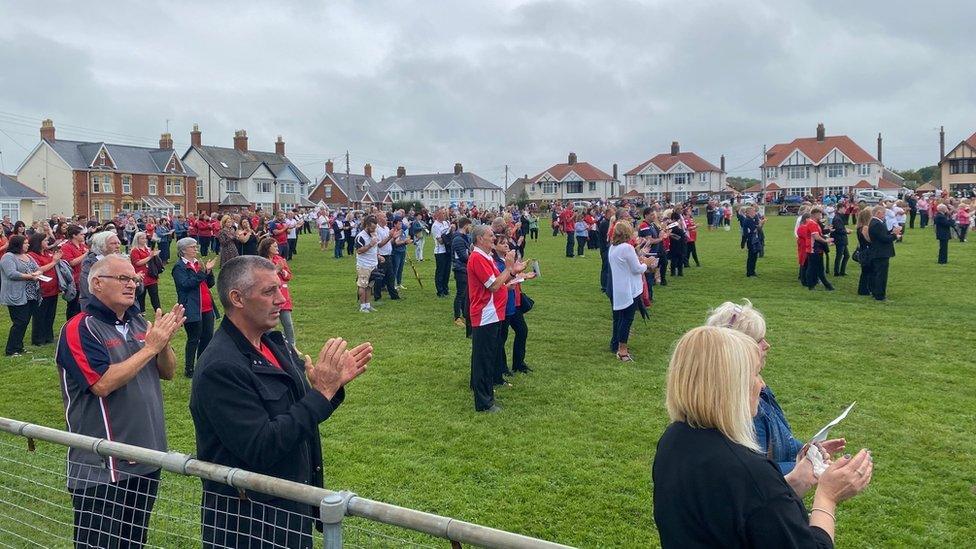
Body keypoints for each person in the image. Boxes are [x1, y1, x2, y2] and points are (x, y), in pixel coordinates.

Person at [190, 255, 371, 547]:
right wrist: (321, 393)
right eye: (269, 291)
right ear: (237, 298)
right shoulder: (221, 367)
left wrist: (328, 389)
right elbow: (262, 446)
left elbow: (299, 413)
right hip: (250, 524)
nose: (281, 298)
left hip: (290, 506)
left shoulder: (274, 343)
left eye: (280, 288)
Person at [653, 325, 874, 548]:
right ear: (732, 387)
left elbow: (743, 516)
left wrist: (797, 480)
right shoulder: (748, 472)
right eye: (755, 374)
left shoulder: (673, 440)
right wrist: (827, 497)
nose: (762, 384)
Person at [56, 254, 184, 549]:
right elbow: (102, 383)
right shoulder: (80, 328)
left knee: (134, 541)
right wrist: (150, 348)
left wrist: (162, 345)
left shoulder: (139, 322)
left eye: (135, 279)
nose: (132, 285)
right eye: (123, 279)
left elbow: (168, 372)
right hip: (103, 468)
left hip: (147, 457)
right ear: (97, 284)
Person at [705, 300, 845, 480]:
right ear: (737, 350)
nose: (767, 345)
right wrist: (804, 464)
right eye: (758, 340)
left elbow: (781, 438)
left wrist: (807, 449)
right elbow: (754, 474)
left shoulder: (759, 390)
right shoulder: (744, 406)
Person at [467, 224, 525, 412]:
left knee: (485, 356)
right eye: (490, 236)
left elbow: (497, 283)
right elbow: (492, 285)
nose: (493, 239)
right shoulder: (478, 257)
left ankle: (482, 392)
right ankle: (484, 402)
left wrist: (510, 277)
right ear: (479, 239)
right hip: (485, 313)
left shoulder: (485, 257)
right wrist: (508, 269)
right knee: (484, 358)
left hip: (491, 312)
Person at [173, 237, 218, 377]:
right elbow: (185, 285)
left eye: (195, 246)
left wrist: (209, 273)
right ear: (184, 250)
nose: (196, 249)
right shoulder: (179, 267)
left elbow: (210, 283)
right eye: (192, 247)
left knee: (207, 337)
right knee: (194, 338)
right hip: (192, 308)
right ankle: (189, 368)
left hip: (207, 307)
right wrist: (202, 273)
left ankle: (202, 364)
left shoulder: (199, 263)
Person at [492, 233, 536, 377]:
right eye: (502, 243)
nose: (506, 245)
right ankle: (502, 367)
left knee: (522, 331)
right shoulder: (496, 263)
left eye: (506, 242)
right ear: (494, 246)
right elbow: (500, 282)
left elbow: (512, 277)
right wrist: (516, 277)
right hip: (504, 304)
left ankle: (519, 363)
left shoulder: (508, 260)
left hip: (514, 303)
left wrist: (523, 276)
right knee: (501, 337)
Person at [608, 222, 653, 362]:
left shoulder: (613, 247)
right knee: (627, 319)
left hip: (619, 288)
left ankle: (620, 345)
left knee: (622, 318)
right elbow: (636, 269)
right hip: (629, 289)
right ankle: (622, 350)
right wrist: (647, 263)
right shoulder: (626, 247)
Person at [1, 235, 42, 356]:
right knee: (20, 321)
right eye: (25, 243)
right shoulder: (8, 257)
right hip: (16, 294)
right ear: (17, 244)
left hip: (30, 294)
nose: (27, 245)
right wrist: (31, 276)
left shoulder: (28, 256)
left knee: (25, 321)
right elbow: (11, 273)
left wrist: (38, 273)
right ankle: (11, 349)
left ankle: (18, 346)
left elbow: (38, 268)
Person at [258, 236, 296, 347]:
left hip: (283, 296)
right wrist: (277, 270)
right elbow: (262, 278)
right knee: (269, 325)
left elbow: (289, 276)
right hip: (268, 298)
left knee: (288, 323)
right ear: (268, 248)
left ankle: (292, 346)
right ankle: (272, 346)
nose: (277, 248)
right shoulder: (261, 262)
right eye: (274, 246)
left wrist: (284, 273)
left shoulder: (280, 259)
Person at [26, 233, 62, 346]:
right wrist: (54, 262)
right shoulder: (32, 255)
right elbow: (39, 269)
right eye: (45, 240)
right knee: (40, 315)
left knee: (50, 315)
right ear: (39, 242)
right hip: (41, 289)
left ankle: (48, 336)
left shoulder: (48, 253)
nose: (48, 242)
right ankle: (38, 339)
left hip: (53, 288)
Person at [79, 231, 122, 310]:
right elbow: (89, 290)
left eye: (118, 243)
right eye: (113, 243)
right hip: (96, 309)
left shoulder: (121, 261)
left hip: (120, 308)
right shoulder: (90, 265)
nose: (118, 246)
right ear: (102, 246)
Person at [868, 205, 900, 301]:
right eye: (883, 213)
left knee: (877, 273)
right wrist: (895, 235)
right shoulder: (877, 223)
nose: (884, 215)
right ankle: (880, 295)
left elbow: (882, 234)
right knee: (881, 275)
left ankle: (876, 292)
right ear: (878, 213)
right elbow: (883, 238)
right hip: (881, 252)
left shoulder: (876, 223)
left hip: (879, 252)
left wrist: (891, 232)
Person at [59, 224, 88, 319]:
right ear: (74, 235)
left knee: (82, 307)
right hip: (74, 281)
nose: (83, 236)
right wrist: (86, 254)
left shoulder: (83, 246)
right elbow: (71, 262)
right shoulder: (66, 247)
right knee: (73, 307)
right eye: (81, 234)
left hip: (84, 280)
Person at [130, 231, 162, 313]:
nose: (145, 240)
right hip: (141, 276)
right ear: (137, 239)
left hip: (151, 274)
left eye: (145, 238)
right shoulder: (135, 250)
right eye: (142, 238)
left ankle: (158, 310)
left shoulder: (147, 249)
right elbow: (137, 262)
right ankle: (141, 311)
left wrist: (155, 255)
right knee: (141, 295)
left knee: (155, 295)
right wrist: (150, 257)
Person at [372, 212, 401, 302]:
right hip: (381, 256)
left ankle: (394, 295)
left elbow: (389, 242)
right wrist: (389, 237)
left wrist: (394, 238)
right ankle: (377, 296)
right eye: (384, 217)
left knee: (391, 276)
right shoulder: (377, 230)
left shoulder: (386, 228)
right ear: (379, 219)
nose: (386, 219)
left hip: (388, 255)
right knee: (379, 277)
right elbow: (380, 244)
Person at [355, 215, 380, 313]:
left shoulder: (373, 234)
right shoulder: (360, 236)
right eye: (372, 228)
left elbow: (374, 249)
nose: (374, 230)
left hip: (373, 264)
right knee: (363, 285)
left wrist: (378, 256)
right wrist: (370, 244)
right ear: (366, 226)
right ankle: (362, 306)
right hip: (364, 265)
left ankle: (368, 305)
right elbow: (359, 251)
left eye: (375, 228)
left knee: (370, 285)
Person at [451, 217, 473, 331]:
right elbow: (464, 257)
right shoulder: (458, 239)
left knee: (465, 294)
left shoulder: (464, 238)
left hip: (465, 269)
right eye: (470, 226)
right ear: (465, 226)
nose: (471, 228)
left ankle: (465, 314)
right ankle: (457, 317)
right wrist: (473, 257)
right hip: (460, 269)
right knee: (460, 294)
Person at [854, 208, 874, 296]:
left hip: (862, 250)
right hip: (866, 251)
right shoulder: (865, 227)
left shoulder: (859, 227)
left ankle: (864, 289)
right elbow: (869, 240)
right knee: (867, 272)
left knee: (865, 271)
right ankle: (864, 290)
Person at [432, 209, 452, 297]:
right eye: (443, 213)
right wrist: (447, 235)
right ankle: (439, 290)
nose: (445, 215)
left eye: (445, 213)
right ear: (438, 215)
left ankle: (445, 288)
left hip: (447, 250)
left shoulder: (446, 223)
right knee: (441, 271)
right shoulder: (435, 226)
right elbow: (440, 240)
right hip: (440, 251)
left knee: (447, 271)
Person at [740, 206, 762, 277]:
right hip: (751, 240)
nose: (755, 213)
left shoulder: (752, 219)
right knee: (751, 257)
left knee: (754, 257)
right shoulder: (748, 220)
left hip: (753, 239)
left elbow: (757, 228)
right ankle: (749, 273)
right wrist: (760, 225)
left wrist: (759, 225)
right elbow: (754, 230)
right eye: (753, 212)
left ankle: (753, 271)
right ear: (749, 213)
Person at [831, 206, 851, 276]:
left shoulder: (839, 217)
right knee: (839, 256)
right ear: (840, 208)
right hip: (840, 239)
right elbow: (838, 230)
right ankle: (836, 272)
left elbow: (841, 227)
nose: (845, 209)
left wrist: (845, 229)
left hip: (842, 239)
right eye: (844, 208)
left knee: (847, 255)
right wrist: (847, 231)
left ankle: (842, 271)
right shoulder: (837, 218)